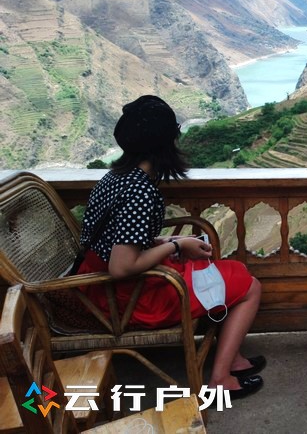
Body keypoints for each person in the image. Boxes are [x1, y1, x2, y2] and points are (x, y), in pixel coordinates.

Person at [78, 95, 265, 399]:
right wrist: (174, 247)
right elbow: (121, 266)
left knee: (236, 273)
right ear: (166, 143)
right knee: (249, 286)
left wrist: (175, 242)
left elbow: (122, 239)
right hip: (129, 299)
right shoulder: (139, 190)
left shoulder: (117, 177)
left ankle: (232, 358)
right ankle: (220, 379)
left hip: (106, 287)